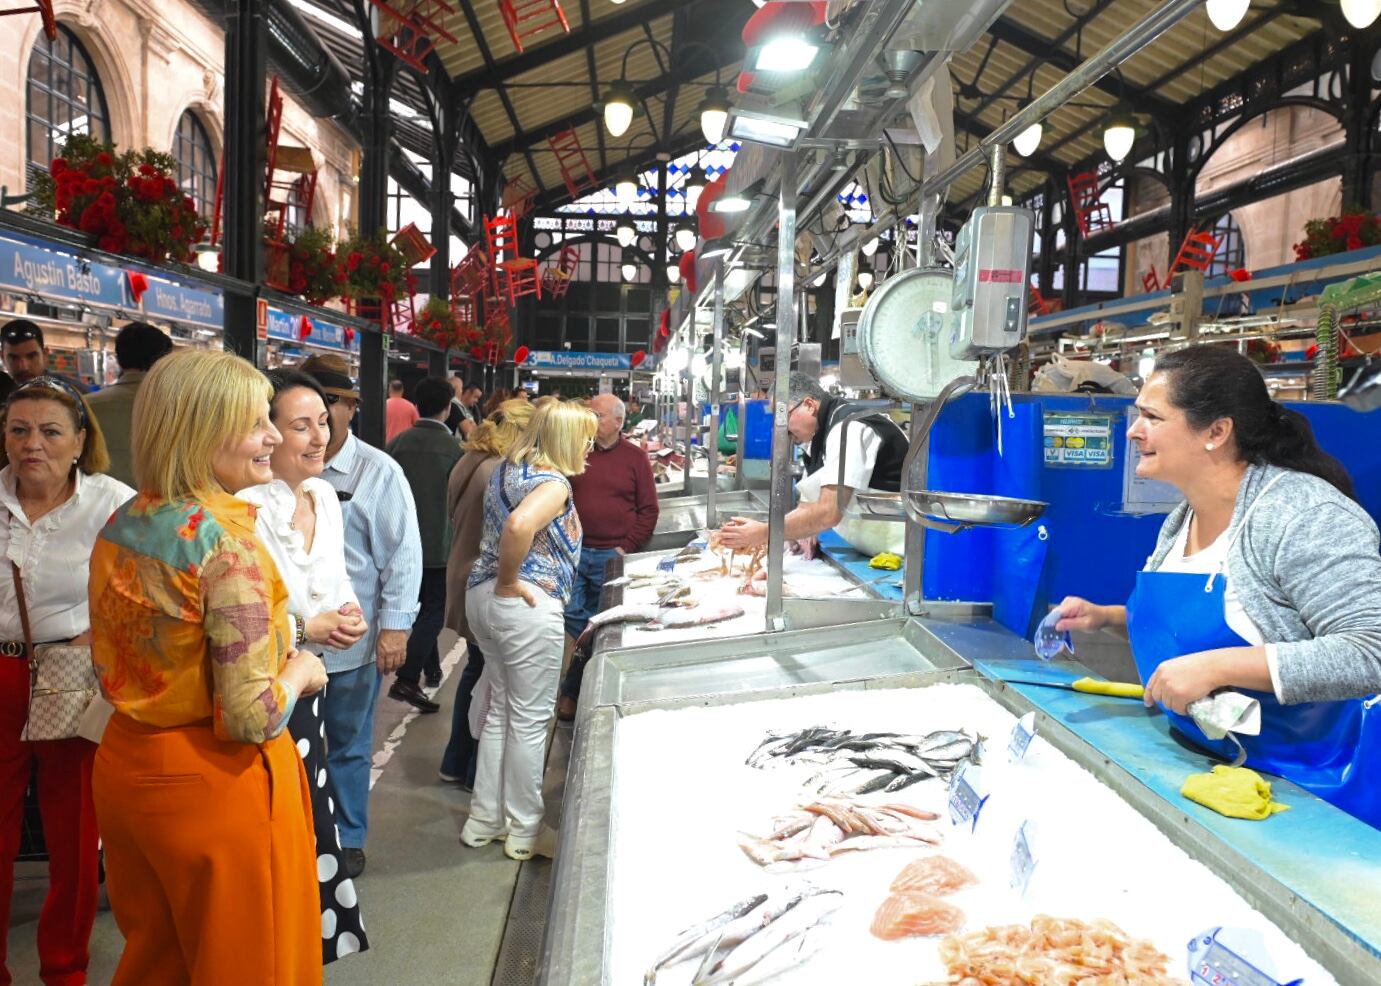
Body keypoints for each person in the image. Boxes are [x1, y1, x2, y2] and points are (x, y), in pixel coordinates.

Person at [1055, 345, 1381, 828]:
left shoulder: (1304, 515)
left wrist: (1218, 666)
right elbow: (1211, 624)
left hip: (1302, 791)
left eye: (1151, 417)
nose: (1133, 430)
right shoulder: (1184, 517)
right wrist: (1107, 618)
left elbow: (1370, 651)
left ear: (1216, 432)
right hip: (1202, 762)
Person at [88, 349, 327, 985]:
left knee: (155, 960)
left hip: (127, 769)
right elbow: (250, 716)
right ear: (202, 431)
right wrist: (301, 670)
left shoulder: (123, 522)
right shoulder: (226, 546)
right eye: (256, 423)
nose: (273, 436)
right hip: (218, 787)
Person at [0, 377, 131, 986]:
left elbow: (142, 590)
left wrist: (98, 636)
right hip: (0, 674)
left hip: (72, 675)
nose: (33, 443)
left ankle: (65, 967)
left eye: (50, 431)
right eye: (19, 430)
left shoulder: (112, 503)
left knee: (74, 833)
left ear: (80, 440)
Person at [237, 370, 370, 964]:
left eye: (324, 421)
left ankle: (295, 950)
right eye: (300, 426)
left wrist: (349, 614)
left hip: (306, 680)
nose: (320, 437)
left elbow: (335, 580)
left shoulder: (322, 496)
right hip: (261, 685)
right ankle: (268, 950)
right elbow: (246, 616)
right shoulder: (243, 508)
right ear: (265, 432)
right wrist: (308, 628)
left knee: (308, 818)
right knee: (270, 824)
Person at [299, 353, 421, 879]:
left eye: (331, 404)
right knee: (294, 749)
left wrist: (395, 627)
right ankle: (301, 837)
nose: (321, 418)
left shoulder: (378, 471)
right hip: (291, 645)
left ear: (351, 408)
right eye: (309, 406)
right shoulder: (276, 469)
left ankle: (348, 838)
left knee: (348, 744)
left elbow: (402, 554)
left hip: (351, 643)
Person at [460, 400, 596, 860]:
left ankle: (484, 820)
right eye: (584, 438)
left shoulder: (506, 470)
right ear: (564, 439)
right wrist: (508, 580)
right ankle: (525, 830)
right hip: (524, 603)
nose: (589, 447)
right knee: (530, 720)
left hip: (482, 599)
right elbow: (519, 525)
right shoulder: (553, 484)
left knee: (501, 712)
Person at [438, 398, 536, 789]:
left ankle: (456, 760)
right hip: (486, 577)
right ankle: (475, 770)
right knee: (492, 679)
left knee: (477, 670)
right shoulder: (502, 470)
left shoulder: (471, 459)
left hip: (463, 568)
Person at [718, 371, 908, 558]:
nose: (783, 429)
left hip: (899, 552)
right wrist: (800, 531)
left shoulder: (848, 428)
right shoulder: (820, 436)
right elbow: (807, 507)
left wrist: (764, 532)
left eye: (784, 417)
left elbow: (828, 513)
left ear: (809, 405)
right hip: (871, 549)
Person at [557, 394, 659, 719]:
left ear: (618, 421)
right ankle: (590, 661)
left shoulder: (635, 458)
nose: (591, 419)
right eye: (590, 414)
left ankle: (573, 694)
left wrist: (625, 547)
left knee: (602, 621)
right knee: (577, 617)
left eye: (598, 415)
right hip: (575, 553)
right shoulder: (576, 452)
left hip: (611, 557)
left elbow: (649, 509)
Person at [387, 376, 462, 711]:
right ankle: (407, 677)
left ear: (416, 405)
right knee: (434, 611)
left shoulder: (396, 445)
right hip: (438, 546)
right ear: (448, 408)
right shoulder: (455, 450)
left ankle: (431, 670)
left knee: (420, 609)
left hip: (399, 543)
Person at [85, 320, 174, 488]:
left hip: (103, 502)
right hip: (166, 502)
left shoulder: (86, 406)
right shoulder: (182, 406)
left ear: (119, 359)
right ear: (163, 361)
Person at [2, 320, 50, 385]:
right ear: (2, 358)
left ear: (45, 355)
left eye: (31, 356)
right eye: (14, 358)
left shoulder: (62, 389)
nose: (24, 367)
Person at [385, 378, 419, 444]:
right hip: (406, 443)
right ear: (402, 390)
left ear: (390, 390)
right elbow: (417, 425)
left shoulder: (384, 406)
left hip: (388, 443)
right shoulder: (410, 406)